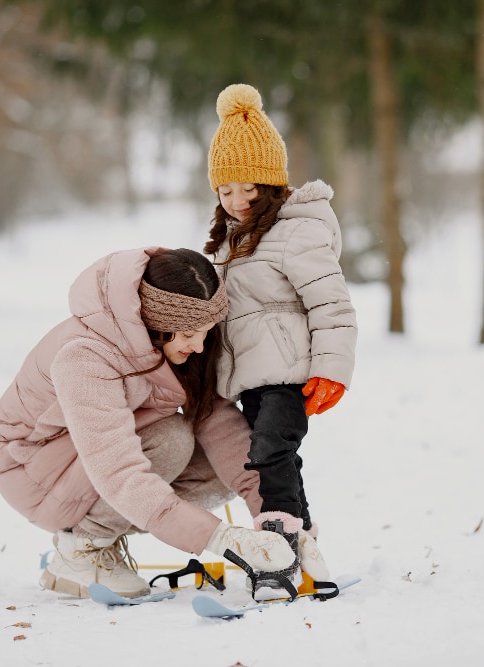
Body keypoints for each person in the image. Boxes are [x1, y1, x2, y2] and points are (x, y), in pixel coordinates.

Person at [0, 247, 326, 599]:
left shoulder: (181, 347)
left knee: (221, 465)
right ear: (155, 321)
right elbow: (118, 471)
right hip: (32, 468)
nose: (199, 345)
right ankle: (82, 551)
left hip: (99, 460)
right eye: (189, 333)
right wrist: (222, 539)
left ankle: (99, 537)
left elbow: (223, 430)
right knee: (172, 439)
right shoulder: (84, 355)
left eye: (206, 331)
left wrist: (279, 520)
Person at [203, 84, 358, 599]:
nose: (237, 200)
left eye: (248, 188)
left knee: (268, 452)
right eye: (226, 190)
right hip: (251, 377)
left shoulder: (298, 232)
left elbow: (331, 305)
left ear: (270, 183)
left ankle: (276, 557)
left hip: (293, 375)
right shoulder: (230, 241)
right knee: (279, 461)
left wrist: (332, 369)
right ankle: (306, 551)